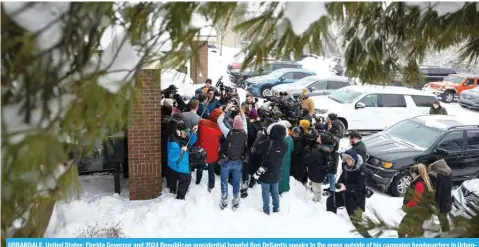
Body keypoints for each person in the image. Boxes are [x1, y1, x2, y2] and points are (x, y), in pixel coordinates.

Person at [326, 148, 372, 238]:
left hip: (356, 198)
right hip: (346, 194)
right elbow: (343, 177)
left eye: (349, 159)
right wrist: (339, 183)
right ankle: (332, 221)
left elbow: (360, 185)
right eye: (346, 159)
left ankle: (369, 239)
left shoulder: (362, 170)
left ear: (354, 160)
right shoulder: (346, 166)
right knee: (330, 200)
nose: (347, 161)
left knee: (357, 222)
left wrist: (346, 187)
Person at [253, 124, 288, 215]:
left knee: (265, 191)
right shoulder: (285, 144)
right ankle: (276, 208)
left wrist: (263, 137)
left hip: (266, 170)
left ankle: (266, 209)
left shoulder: (268, 142)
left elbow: (257, 147)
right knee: (275, 191)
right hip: (276, 170)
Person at [218, 115, 248, 210]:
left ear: (233, 125)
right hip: (238, 161)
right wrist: (241, 109)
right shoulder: (245, 133)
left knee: (224, 181)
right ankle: (235, 200)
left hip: (226, 161)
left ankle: (224, 200)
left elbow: (219, 121)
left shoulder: (228, 132)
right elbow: (245, 121)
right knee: (236, 181)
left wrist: (226, 110)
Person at [398, 164, 434, 238]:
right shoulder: (426, 181)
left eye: (412, 173)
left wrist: (407, 206)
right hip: (422, 211)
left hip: (416, 211)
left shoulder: (420, 183)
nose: (411, 175)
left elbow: (416, 199)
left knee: (402, 230)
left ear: (415, 173)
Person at [167, 122, 198, 200]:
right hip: (181, 166)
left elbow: (191, 141)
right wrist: (181, 150)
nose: (187, 134)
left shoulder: (182, 136)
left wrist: (193, 133)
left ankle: (173, 189)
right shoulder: (173, 142)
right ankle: (180, 198)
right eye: (185, 132)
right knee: (186, 181)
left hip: (178, 166)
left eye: (188, 132)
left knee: (174, 177)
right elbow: (172, 157)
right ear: (179, 131)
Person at [196, 108, 224, 190]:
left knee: (200, 167)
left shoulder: (202, 123)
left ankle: (198, 181)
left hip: (202, 151)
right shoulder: (220, 128)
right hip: (212, 152)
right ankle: (211, 185)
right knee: (211, 170)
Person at [241, 108, 262, 198]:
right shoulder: (260, 125)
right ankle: (252, 181)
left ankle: (245, 181)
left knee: (246, 165)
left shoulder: (249, 125)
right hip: (258, 150)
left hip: (249, 148)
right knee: (255, 166)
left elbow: (247, 137)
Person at [267, 121, 293, 195]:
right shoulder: (290, 139)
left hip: (278, 161)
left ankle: (275, 190)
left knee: (277, 176)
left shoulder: (277, 140)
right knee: (284, 176)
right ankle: (284, 188)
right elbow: (292, 148)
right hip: (286, 161)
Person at [427, 158, 452, 232]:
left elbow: (431, 190)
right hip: (446, 200)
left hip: (436, 202)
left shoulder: (433, 174)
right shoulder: (448, 170)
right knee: (444, 221)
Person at [162, 112, 184, 188]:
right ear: (177, 120)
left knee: (168, 165)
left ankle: (168, 181)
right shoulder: (175, 128)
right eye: (181, 120)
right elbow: (176, 139)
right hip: (171, 149)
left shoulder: (168, 124)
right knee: (172, 167)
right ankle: (171, 185)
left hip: (166, 147)